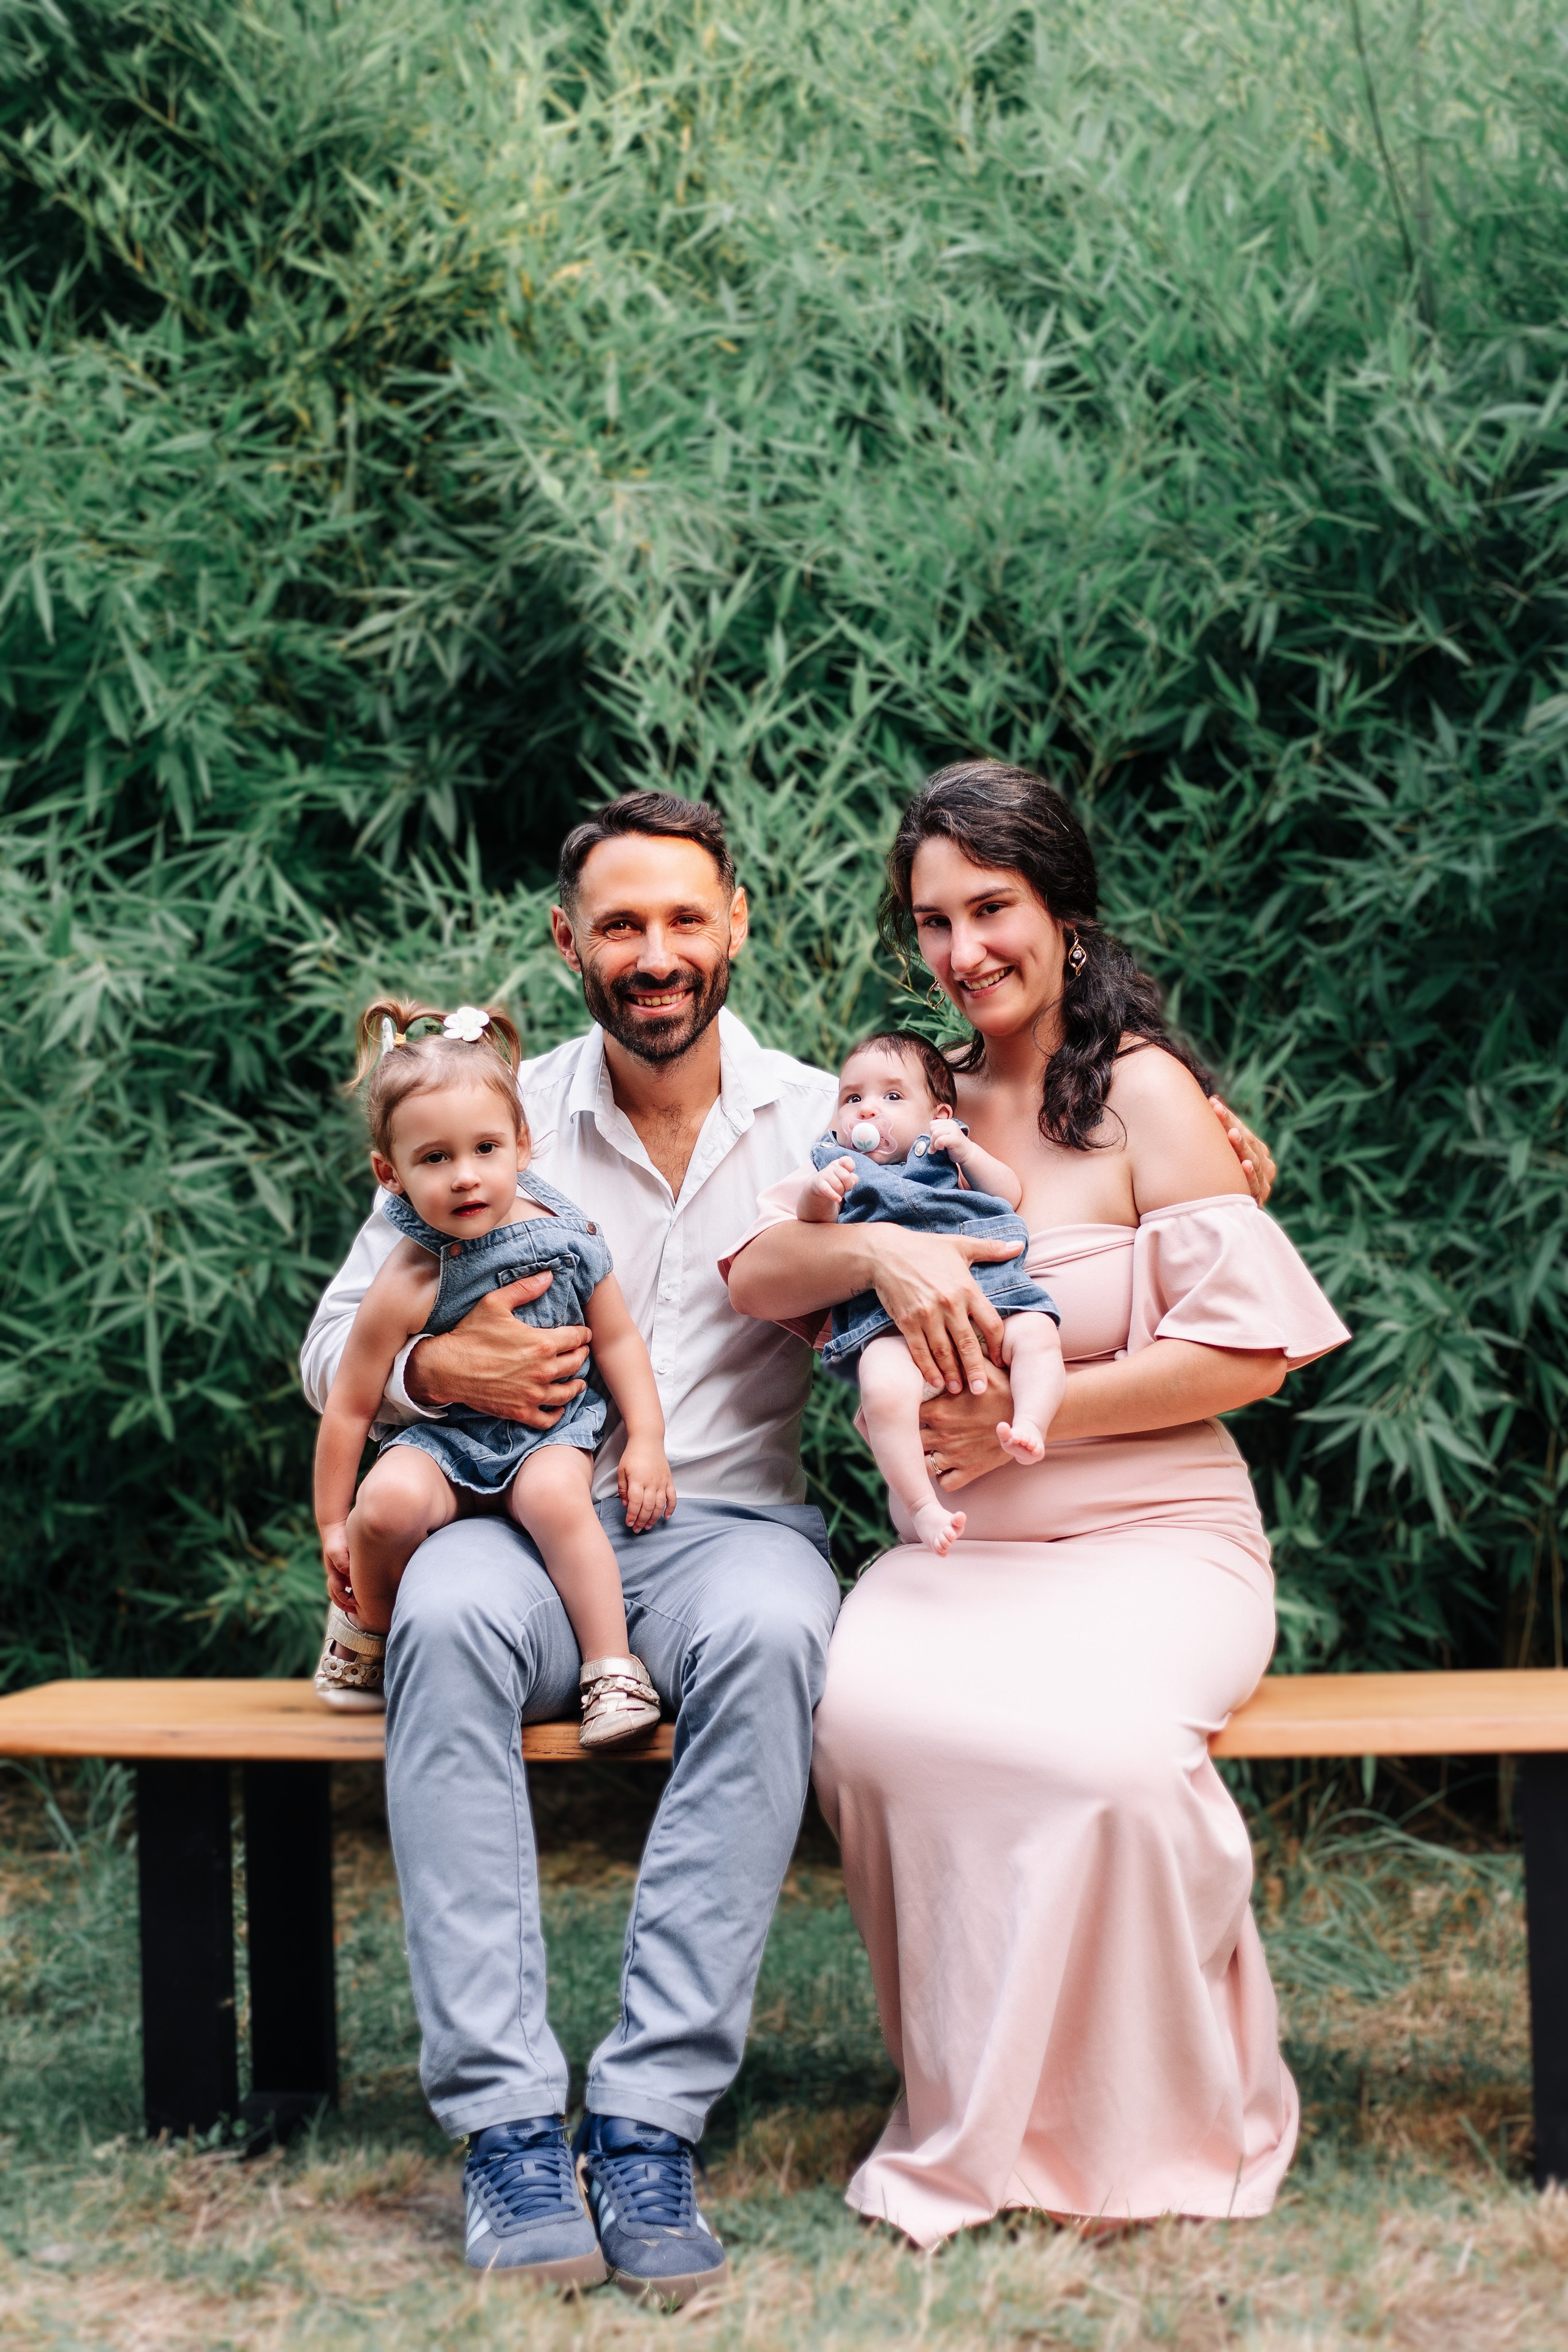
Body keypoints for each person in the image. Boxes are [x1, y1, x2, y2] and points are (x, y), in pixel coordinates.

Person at [300, 788, 1275, 2296]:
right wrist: (437, 1373)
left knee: (777, 1637)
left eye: (684, 918)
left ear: (735, 925)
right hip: (509, 1505)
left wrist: (1210, 1150)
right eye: (617, 924)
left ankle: (645, 2119)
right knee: (440, 1621)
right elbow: (331, 1347)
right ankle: (503, 2127)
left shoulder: (829, 1105)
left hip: (727, 1521)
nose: (654, 952)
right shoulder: (491, 1111)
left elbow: (977, 1176)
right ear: (567, 941)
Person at [725, 760, 1349, 2245]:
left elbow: (1245, 1351)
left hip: (1152, 1535)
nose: (961, 952)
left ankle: (1146, 2121)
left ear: (1059, 907)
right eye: (931, 922)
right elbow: (754, 1275)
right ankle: (975, 2117)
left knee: (1104, 1758)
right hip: (962, 1553)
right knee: (873, 1713)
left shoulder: (1139, 1087)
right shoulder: (910, 1097)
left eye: (989, 908)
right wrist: (875, 1259)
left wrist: (1029, 1419)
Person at [310, 995, 668, 1750]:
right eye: (435, 1159)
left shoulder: (563, 1241)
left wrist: (646, 1442)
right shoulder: (405, 1280)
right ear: (391, 1173)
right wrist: (332, 1523)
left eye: (485, 1149)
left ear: (522, 1145)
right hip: (447, 1439)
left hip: (547, 1434)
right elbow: (348, 1407)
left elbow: (620, 1344)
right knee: (388, 1503)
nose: (466, 1177)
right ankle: (368, 1633)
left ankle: (611, 1667)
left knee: (555, 1500)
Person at [799, 1030, 1065, 1555]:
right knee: (881, 1389)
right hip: (891, 1320)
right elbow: (813, 1229)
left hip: (991, 1290)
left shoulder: (950, 1153)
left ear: (938, 1115)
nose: (868, 1111)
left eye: (892, 1097)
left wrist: (967, 1149)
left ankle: (1031, 1421)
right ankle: (922, 1505)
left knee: (1036, 1335)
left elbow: (1008, 1194)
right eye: (853, 1099)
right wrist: (818, 1195)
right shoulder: (839, 1168)